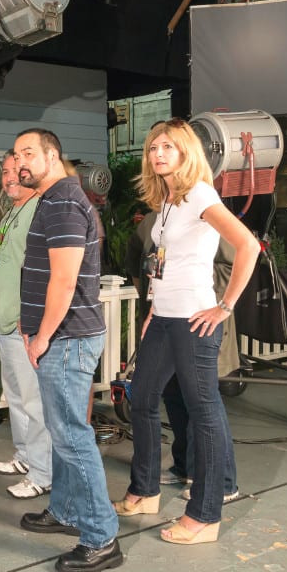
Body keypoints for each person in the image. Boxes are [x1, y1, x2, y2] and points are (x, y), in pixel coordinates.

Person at [113, 119, 259, 546]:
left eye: (168, 147)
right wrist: (154, 306)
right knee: (141, 397)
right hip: (164, 317)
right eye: (153, 147)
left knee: (202, 410)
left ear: (185, 152)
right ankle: (144, 491)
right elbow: (165, 261)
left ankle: (205, 514)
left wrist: (224, 306)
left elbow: (247, 245)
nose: (158, 154)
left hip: (195, 319)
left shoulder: (199, 194)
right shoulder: (170, 201)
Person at [13, 127, 123, 572]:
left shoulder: (62, 201)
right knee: (62, 431)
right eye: (16, 153)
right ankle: (65, 511)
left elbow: (64, 280)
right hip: (61, 335)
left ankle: (101, 536)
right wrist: (29, 320)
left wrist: (41, 337)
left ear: (52, 155)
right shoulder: (55, 198)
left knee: (73, 435)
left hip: (66, 338)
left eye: (29, 153)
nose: (20, 161)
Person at [126, 210, 242, 502]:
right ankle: (186, 467)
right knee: (173, 397)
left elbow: (239, 256)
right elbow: (137, 266)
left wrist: (217, 303)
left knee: (203, 403)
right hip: (164, 324)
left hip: (199, 321)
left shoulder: (206, 210)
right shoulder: (154, 222)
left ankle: (224, 483)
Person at [0, 151, 52, 499]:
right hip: (4, 322)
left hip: (24, 324)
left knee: (34, 400)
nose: (9, 178)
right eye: (5, 173)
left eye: (16, 172)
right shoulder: (11, 211)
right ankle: (25, 456)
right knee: (15, 396)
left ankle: (43, 472)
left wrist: (32, 322)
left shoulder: (39, 209)